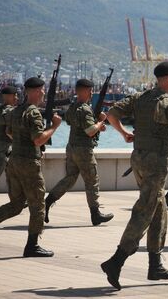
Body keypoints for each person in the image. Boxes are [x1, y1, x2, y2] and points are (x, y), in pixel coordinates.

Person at [100, 61, 168, 290]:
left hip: (138, 160)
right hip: (155, 163)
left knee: (158, 210)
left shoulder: (141, 97)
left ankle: (155, 265)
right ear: (167, 79)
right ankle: (116, 261)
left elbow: (111, 114)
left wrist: (125, 133)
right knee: (145, 210)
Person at [0, 77, 61, 257]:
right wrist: (55, 126)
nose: (43, 93)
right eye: (41, 90)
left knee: (17, 204)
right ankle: (32, 246)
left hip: (14, 162)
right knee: (38, 204)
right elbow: (39, 139)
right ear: (33, 91)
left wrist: (21, 141)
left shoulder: (16, 111)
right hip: (29, 164)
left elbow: (9, 132)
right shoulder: (33, 113)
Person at [44, 78, 113, 226]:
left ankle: (48, 201)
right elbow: (89, 131)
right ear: (88, 91)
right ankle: (95, 214)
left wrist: (96, 124)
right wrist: (101, 122)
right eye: (91, 90)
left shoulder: (73, 107)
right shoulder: (86, 109)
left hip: (72, 148)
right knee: (92, 181)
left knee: (69, 178)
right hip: (83, 150)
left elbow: (71, 122)